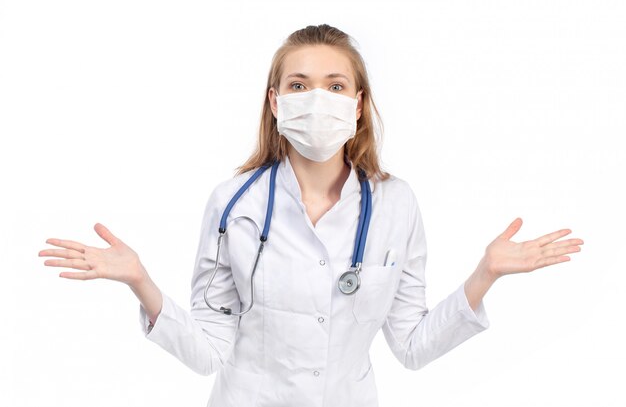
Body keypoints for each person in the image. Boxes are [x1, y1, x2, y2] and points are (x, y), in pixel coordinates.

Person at [38, 24, 584, 407]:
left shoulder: (396, 203)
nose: (316, 99)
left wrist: (484, 275)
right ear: (275, 103)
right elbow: (208, 354)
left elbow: (413, 348)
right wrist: (140, 281)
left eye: (335, 85)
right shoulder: (234, 204)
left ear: (358, 102)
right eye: (299, 86)